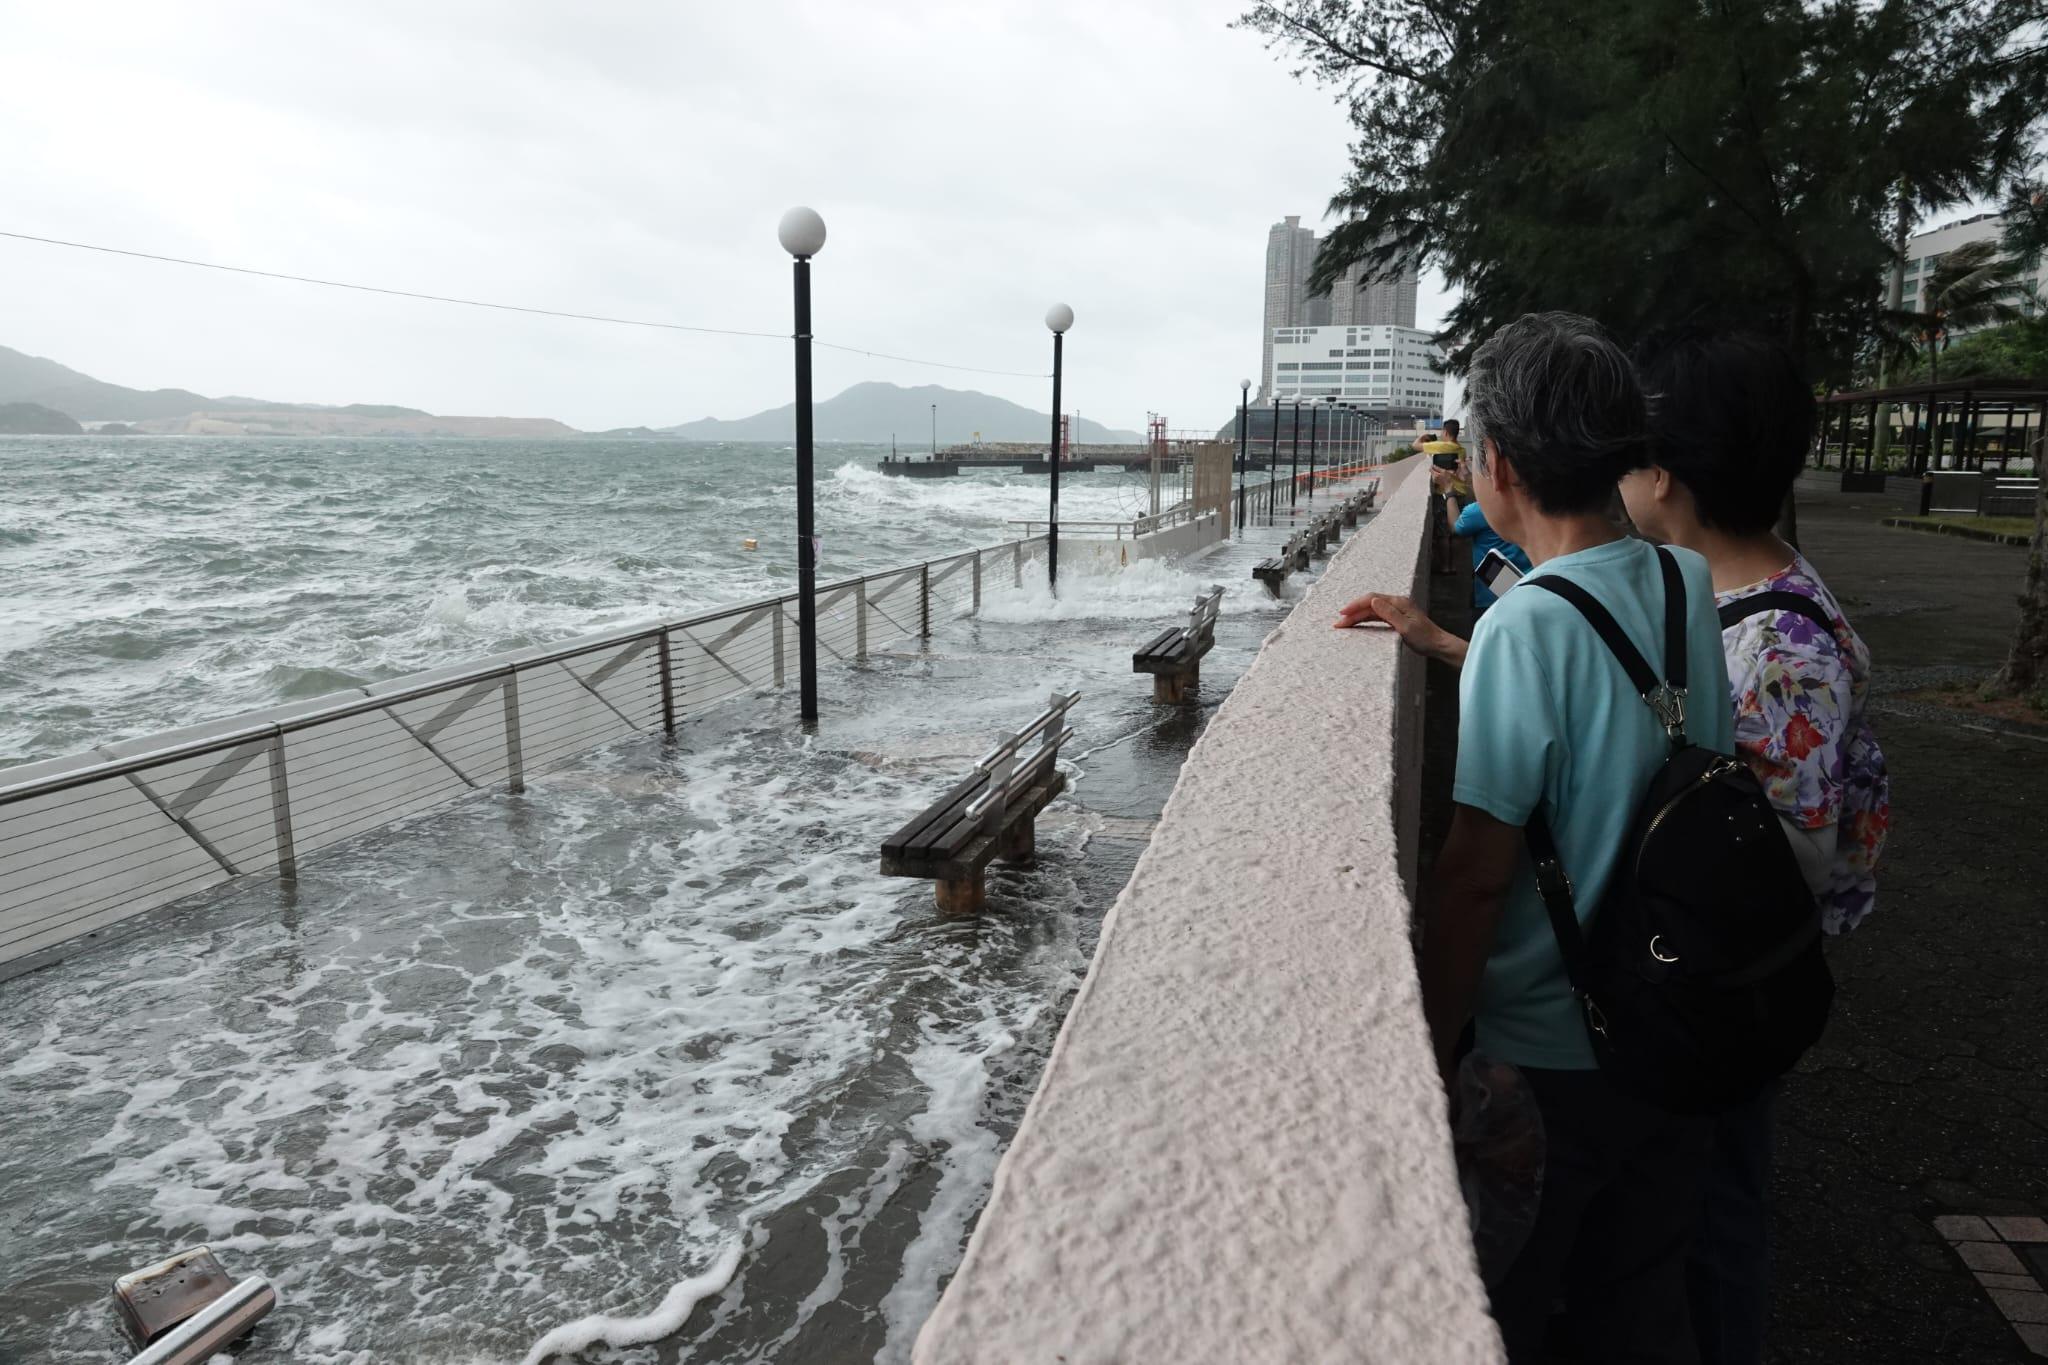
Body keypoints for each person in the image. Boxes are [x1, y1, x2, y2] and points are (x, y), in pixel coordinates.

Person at [1337, 312, 1733, 1361]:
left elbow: (1472, 878)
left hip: (1549, 1055)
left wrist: (1419, 1049)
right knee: (1635, 1301)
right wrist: (1439, 640)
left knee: (1500, 1299)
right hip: (1675, 1018)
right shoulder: (1679, 581)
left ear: (1498, 466)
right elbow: (1613, 719)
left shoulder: (1529, 622)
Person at [1621, 327, 1889, 1365]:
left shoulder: (1773, 648)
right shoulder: (1723, 592)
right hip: (1720, 985)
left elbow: (1780, 863)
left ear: (1666, 474)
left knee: (1713, 1216)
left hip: (1724, 997)